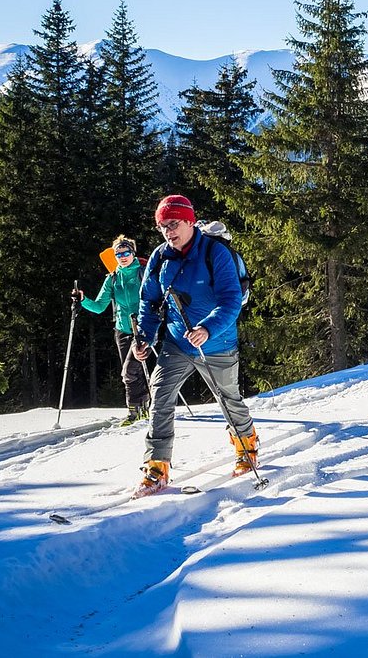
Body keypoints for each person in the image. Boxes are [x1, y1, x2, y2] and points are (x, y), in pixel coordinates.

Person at [132, 194, 257, 496]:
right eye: (162, 226)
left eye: (173, 224)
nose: (168, 231)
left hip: (217, 342)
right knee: (160, 395)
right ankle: (156, 465)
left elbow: (231, 301)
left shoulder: (216, 253)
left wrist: (207, 329)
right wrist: (145, 338)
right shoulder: (161, 257)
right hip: (176, 342)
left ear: (189, 220)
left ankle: (246, 447)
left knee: (227, 398)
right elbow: (149, 302)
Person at [75, 235, 149, 424]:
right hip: (122, 330)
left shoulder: (143, 272)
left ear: (133, 253)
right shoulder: (112, 278)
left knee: (130, 371)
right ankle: (142, 407)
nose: (122, 256)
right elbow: (100, 306)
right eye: (118, 254)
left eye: (126, 252)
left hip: (144, 328)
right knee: (132, 371)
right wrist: (83, 300)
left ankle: (135, 411)